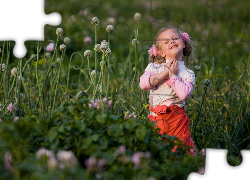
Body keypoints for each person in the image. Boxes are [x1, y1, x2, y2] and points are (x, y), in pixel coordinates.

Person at [139, 26, 196, 153]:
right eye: (166, 42)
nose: (171, 41)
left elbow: (184, 94)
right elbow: (143, 84)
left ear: (184, 44)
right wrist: (165, 72)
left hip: (177, 119)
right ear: (161, 53)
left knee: (182, 149)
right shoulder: (153, 67)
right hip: (155, 119)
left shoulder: (188, 72)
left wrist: (172, 76)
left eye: (175, 38)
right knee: (156, 149)